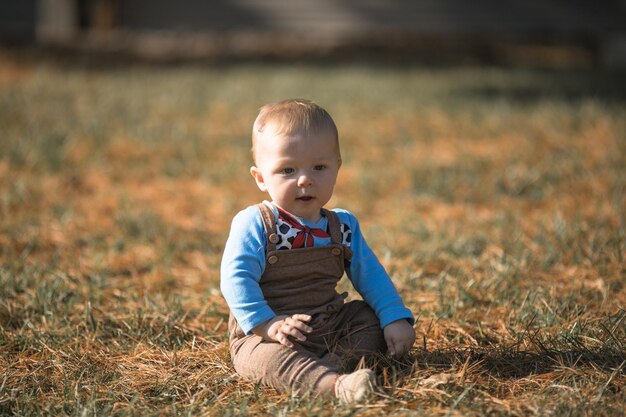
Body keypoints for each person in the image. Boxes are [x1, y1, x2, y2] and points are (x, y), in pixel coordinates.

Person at [220, 98, 416, 403]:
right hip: (267, 334)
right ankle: (333, 386)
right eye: (287, 169)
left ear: (337, 167)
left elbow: (371, 275)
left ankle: (331, 368)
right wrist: (268, 324)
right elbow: (236, 280)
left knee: (368, 318)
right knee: (264, 360)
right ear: (260, 178)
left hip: (329, 325)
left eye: (319, 167)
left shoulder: (342, 226)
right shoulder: (256, 223)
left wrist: (393, 317)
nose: (305, 179)